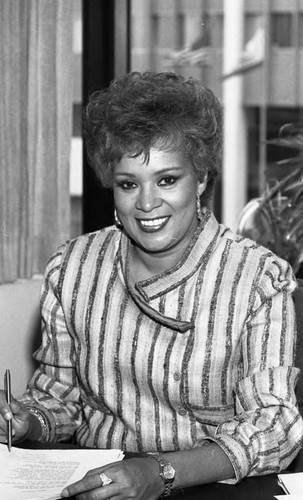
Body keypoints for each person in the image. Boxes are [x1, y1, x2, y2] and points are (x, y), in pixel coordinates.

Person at [0, 71, 302, 499]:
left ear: (200, 179)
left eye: (166, 180)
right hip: (101, 487)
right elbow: (61, 398)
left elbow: (275, 426)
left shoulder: (258, 279)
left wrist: (159, 472)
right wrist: (26, 418)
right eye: (128, 184)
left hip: (210, 488)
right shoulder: (72, 268)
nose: (146, 204)